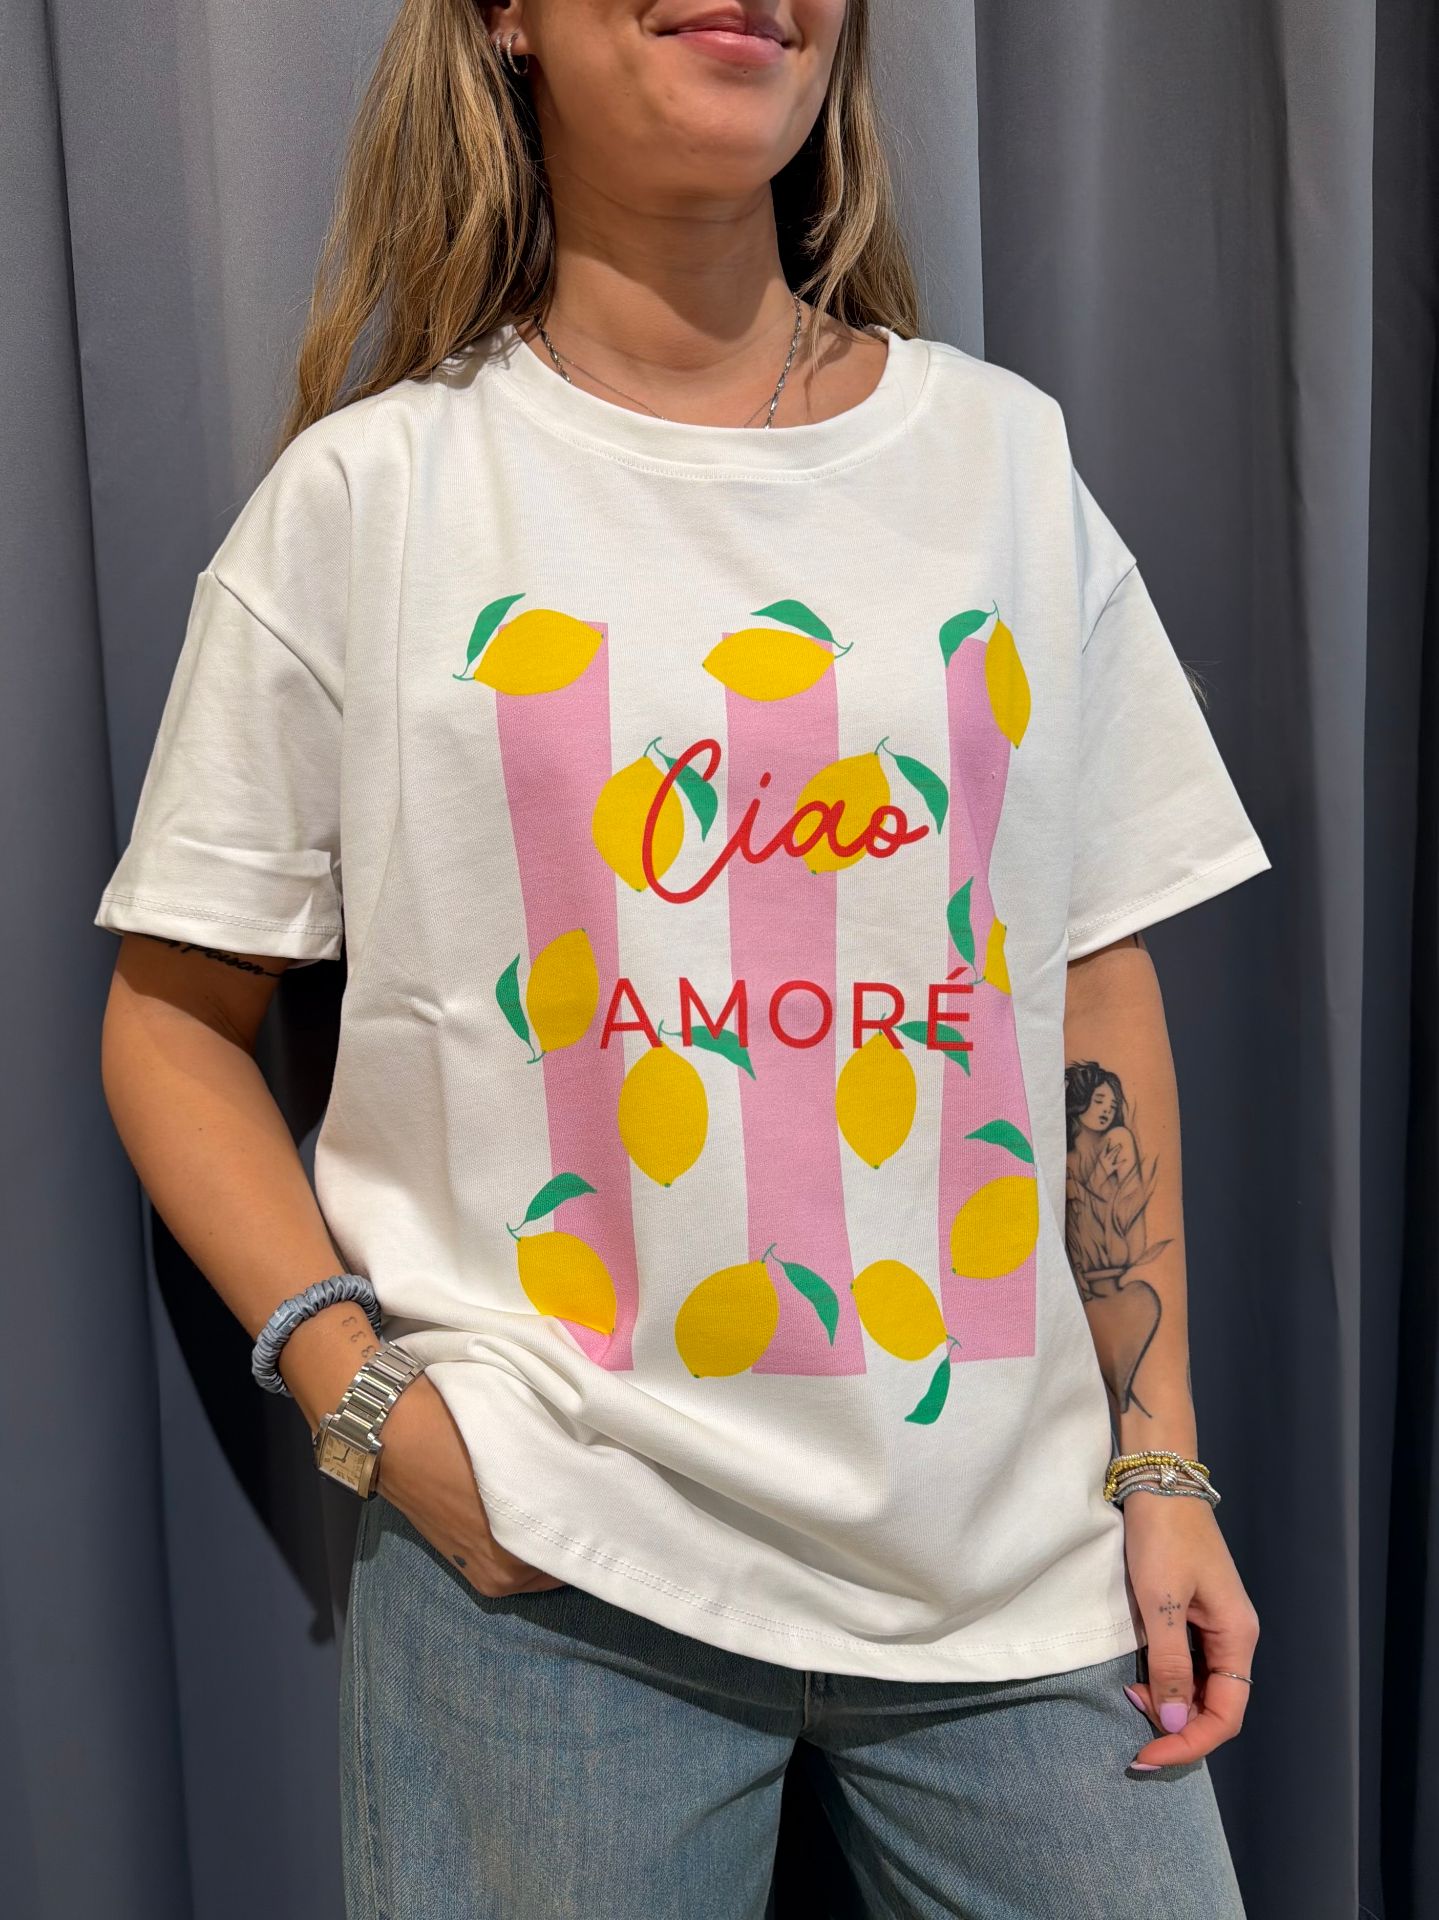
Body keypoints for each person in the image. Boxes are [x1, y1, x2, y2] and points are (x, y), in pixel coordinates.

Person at [94, 3, 1269, 1914]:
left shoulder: (1001, 461)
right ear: (506, 18)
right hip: (551, 1569)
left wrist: (1162, 1465)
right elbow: (172, 1023)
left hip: (1009, 1564)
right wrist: (372, 1410)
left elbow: (1087, 978)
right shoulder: (375, 500)